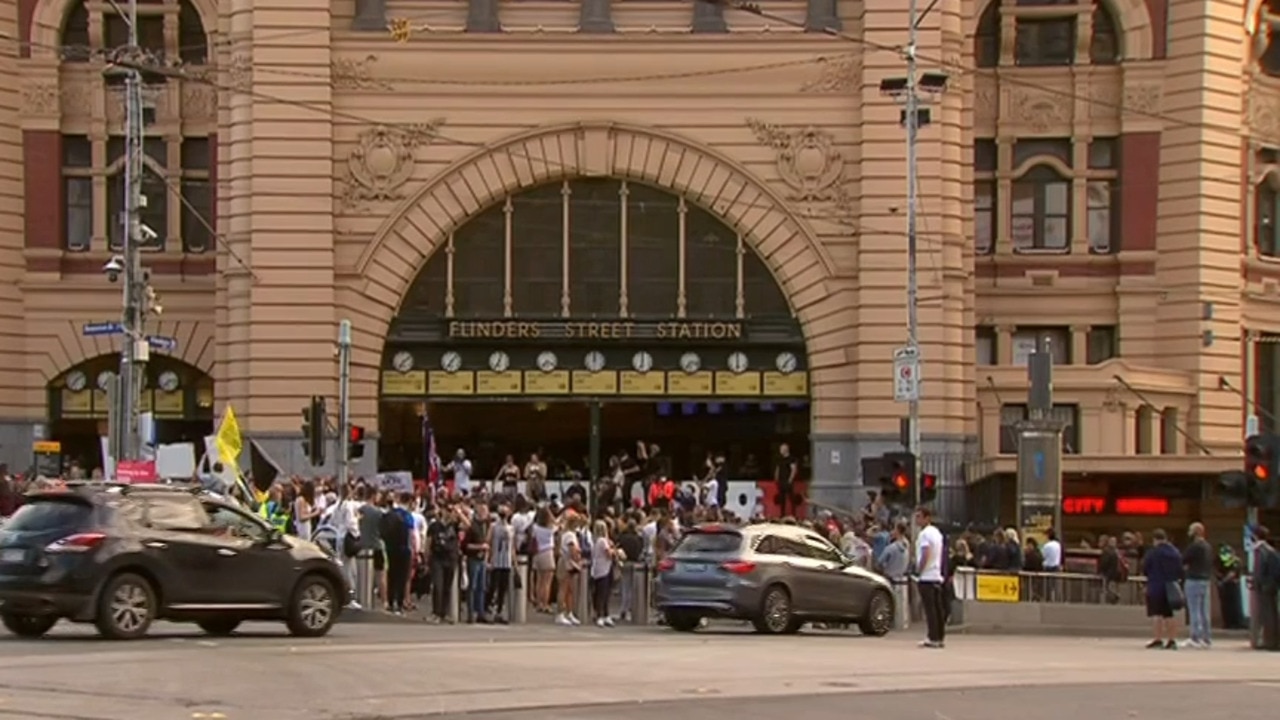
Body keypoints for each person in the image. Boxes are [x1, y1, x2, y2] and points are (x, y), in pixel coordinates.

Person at [1141, 528, 1184, 650]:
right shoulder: (1175, 552)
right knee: (1169, 614)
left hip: (1155, 585)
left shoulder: (1153, 552)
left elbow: (1145, 567)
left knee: (1156, 614)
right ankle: (1172, 640)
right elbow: (1180, 569)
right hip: (1170, 586)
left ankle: (1158, 639)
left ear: (1155, 539)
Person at [914, 506, 946, 649]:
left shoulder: (924, 534)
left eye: (919, 517)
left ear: (927, 518)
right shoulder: (937, 533)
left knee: (930, 609)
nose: (917, 519)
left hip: (926, 576)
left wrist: (919, 570)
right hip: (936, 574)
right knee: (937, 608)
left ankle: (932, 637)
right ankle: (939, 636)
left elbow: (925, 552)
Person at [380, 493, 415, 615]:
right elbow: (411, 535)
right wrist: (413, 550)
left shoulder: (388, 515)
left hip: (390, 549)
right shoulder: (407, 516)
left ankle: (389, 602)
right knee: (402, 577)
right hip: (404, 549)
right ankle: (399, 604)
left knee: (391, 575)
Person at [1181, 521, 1213, 648]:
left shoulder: (1194, 547)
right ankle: (1206, 638)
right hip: (1205, 579)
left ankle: (1195, 637)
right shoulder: (1208, 546)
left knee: (1194, 610)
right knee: (1204, 611)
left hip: (1194, 579)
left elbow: (1184, 560)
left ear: (1195, 532)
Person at [1253, 526, 1280, 651]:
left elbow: (1263, 570)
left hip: (1266, 587)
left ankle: (1271, 642)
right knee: (1268, 615)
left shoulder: (1263, 551)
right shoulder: (1268, 550)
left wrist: (1262, 583)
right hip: (1267, 586)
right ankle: (1269, 640)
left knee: (1268, 615)